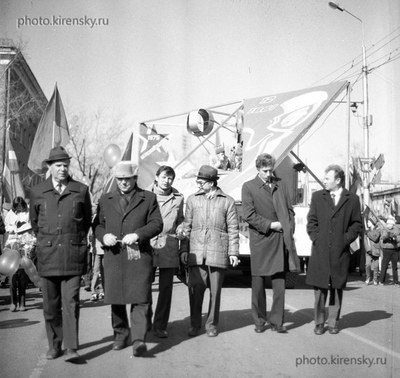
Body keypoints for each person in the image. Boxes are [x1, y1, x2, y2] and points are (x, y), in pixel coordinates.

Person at [94, 161, 163, 357]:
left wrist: (138, 234)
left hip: (139, 257)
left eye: (127, 179)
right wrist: (103, 236)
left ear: (135, 178)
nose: (123, 183)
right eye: (120, 179)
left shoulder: (148, 198)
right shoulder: (105, 199)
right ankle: (120, 334)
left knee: (140, 298)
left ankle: (139, 339)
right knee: (116, 299)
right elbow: (97, 225)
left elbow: (157, 223)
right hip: (114, 257)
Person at [30, 146, 92, 361]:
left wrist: (72, 240)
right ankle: (55, 345)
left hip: (73, 255)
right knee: (51, 305)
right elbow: (34, 223)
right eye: (58, 165)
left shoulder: (81, 190)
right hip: (48, 256)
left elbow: (86, 221)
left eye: (65, 165)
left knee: (72, 302)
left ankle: (72, 347)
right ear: (50, 167)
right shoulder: (38, 191)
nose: (63, 169)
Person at [241, 153, 299, 334]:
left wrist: (289, 229)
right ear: (258, 169)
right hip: (261, 240)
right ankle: (259, 321)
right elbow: (248, 215)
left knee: (279, 285)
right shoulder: (249, 186)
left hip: (280, 240)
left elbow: (290, 211)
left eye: (270, 170)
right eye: (265, 171)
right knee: (258, 285)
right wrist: (271, 225)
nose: (268, 174)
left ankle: (277, 321)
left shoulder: (280, 184)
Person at [181, 165, 239, 338]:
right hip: (196, 253)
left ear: (212, 183)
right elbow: (187, 226)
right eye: (198, 181)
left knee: (216, 292)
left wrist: (233, 253)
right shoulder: (192, 200)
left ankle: (212, 325)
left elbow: (233, 228)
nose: (198, 184)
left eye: (201, 181)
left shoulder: (227, 201)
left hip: (218, 252)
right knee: (195, 291)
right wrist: (184, 249)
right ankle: (194, 324)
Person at [306, 164, 362, 335]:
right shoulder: (317, 197)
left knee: (337, 288)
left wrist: (345, 240)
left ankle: (333, 323)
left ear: (338, 180)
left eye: (327, 178)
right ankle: (319, 322)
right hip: (320, 251)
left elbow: (357, 224)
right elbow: (311, 222)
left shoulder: (351, 199)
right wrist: (317, 238)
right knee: (319, 289)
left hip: (340, 252)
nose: (324, 181)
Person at [150, 166, 187, 338]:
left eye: (171, 178)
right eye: (164, 177)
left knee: (165, 289)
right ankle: (143, 320)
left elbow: (180, 219)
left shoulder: (178, 198)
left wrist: (180, 229)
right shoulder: (145, 196)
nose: (167, 181)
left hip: (169, 245)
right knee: (143, 286)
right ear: (156, 177)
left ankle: (159, 325)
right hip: (147, 245)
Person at [4, 197, 36, 312]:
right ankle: (13, 303)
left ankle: (22, 303)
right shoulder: (10, 214)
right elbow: (6, 227)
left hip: (26, 244)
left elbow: (33, 226)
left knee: (22, 276)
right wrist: (13, 226)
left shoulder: (28, 213)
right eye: (17, 207)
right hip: (13, 244)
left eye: (21, 206)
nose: (19, 208)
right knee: (12, 275)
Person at [379, 217, 400, 286]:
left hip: (394, 250)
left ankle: (395, 281)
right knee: (384, 265)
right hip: (386, 250)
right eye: (388, 224)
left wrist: (395, 237)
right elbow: (382, 238)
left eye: (391, 224)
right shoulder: (385, 229)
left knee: (395, 267)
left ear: (393, 225)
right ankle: (381, 281)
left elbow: (398, 239)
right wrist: (387, 236)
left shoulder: (397, 230)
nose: (389, 225)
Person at [364, 220, 381, 285]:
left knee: (376, 266)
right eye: (367, 222)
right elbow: (365, 241)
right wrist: (368, 249)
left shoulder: (378, 230)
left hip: (376, 250)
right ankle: (368, 278)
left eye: (369, 222)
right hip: (369, 252)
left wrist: (368, 233)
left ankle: (375, 279)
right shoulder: (366, 231)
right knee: (367, 265)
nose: (368, 223)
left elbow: (375, 238)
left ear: (372, 223)